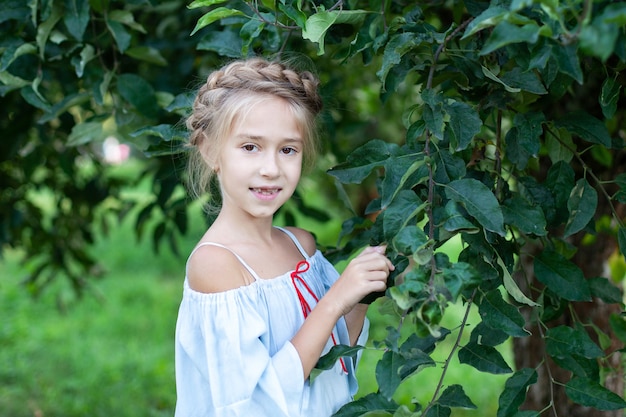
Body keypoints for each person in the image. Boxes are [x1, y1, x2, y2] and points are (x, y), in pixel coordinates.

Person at [174, 57, 395, 417]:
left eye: (288, 150)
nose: (271, 168)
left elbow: (332, 364)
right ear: (211, 150)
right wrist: (335, 299)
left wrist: (360, 295)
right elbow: (254, 405)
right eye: (250, 147)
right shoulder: (216, 264)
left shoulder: (300, 245)